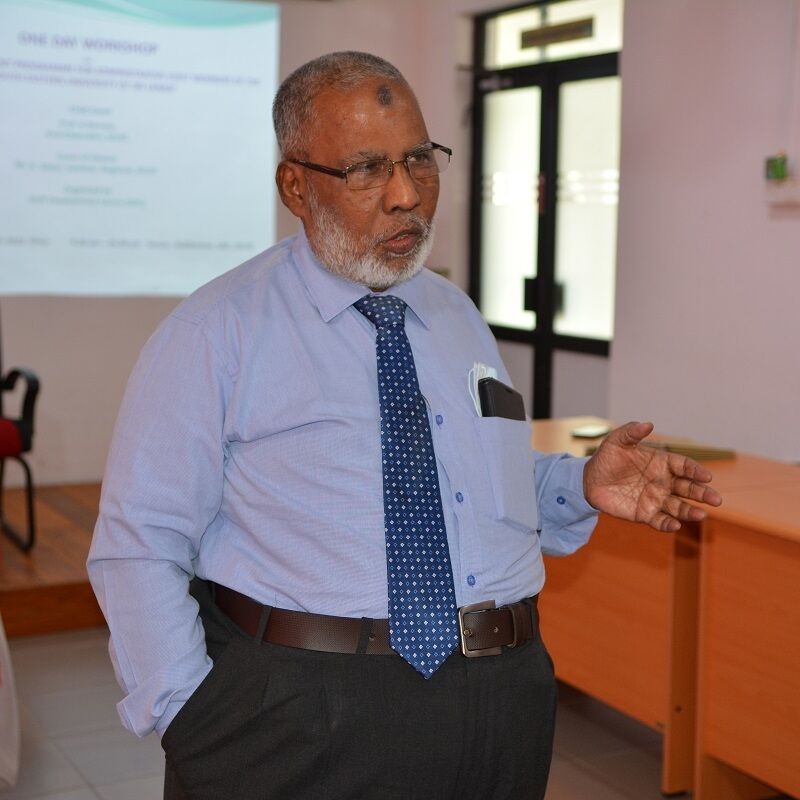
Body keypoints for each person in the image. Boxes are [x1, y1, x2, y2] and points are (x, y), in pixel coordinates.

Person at [87, 51, 722, 800]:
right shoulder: (214, 330)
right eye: (366, 169)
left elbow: (466, 484)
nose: (407, 195)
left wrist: (579, 483)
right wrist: (190, 717)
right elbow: (138, 542)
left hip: (499, 699)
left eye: (420, 159)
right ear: (296, 186)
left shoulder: (455, 316)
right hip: (304, 709)